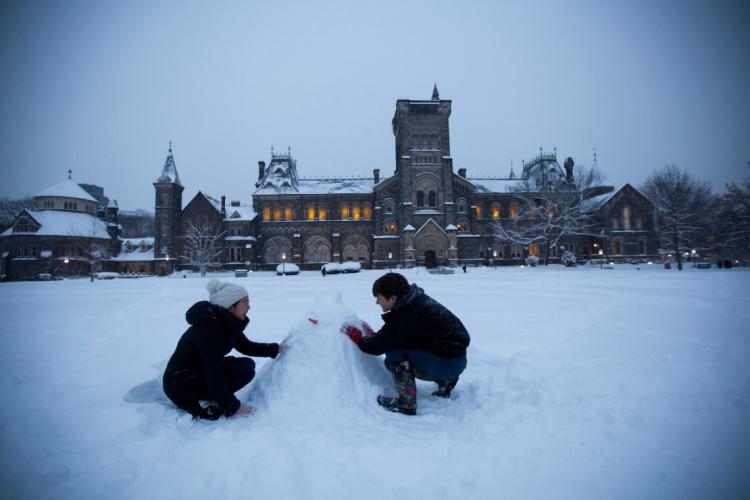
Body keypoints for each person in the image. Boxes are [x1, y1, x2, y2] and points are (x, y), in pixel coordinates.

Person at [342, 272, 470, 415]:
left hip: (448, 364)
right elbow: (399, 335)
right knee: (390, 360)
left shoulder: (407, 314)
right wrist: (375, 336)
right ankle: (446, 381)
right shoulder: (415, 301)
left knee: (393, 351)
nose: (377, 302)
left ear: (392, 298)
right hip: (456, 360)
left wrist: (359, 339)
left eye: (379, 298)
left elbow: (377, 345)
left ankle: (406, 403)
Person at [163, 279, 286, 420]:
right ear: (231, 306)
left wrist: (275, 349)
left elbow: (246, 346)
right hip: (180, 384)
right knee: (242, 370)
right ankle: (202, 404)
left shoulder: (225, 322)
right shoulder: (209, 331)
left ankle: (213, 397)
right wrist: (233, 407)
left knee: (246, 366)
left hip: (196, 374)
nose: (249, 307)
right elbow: (214, 374)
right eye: (245, 302)